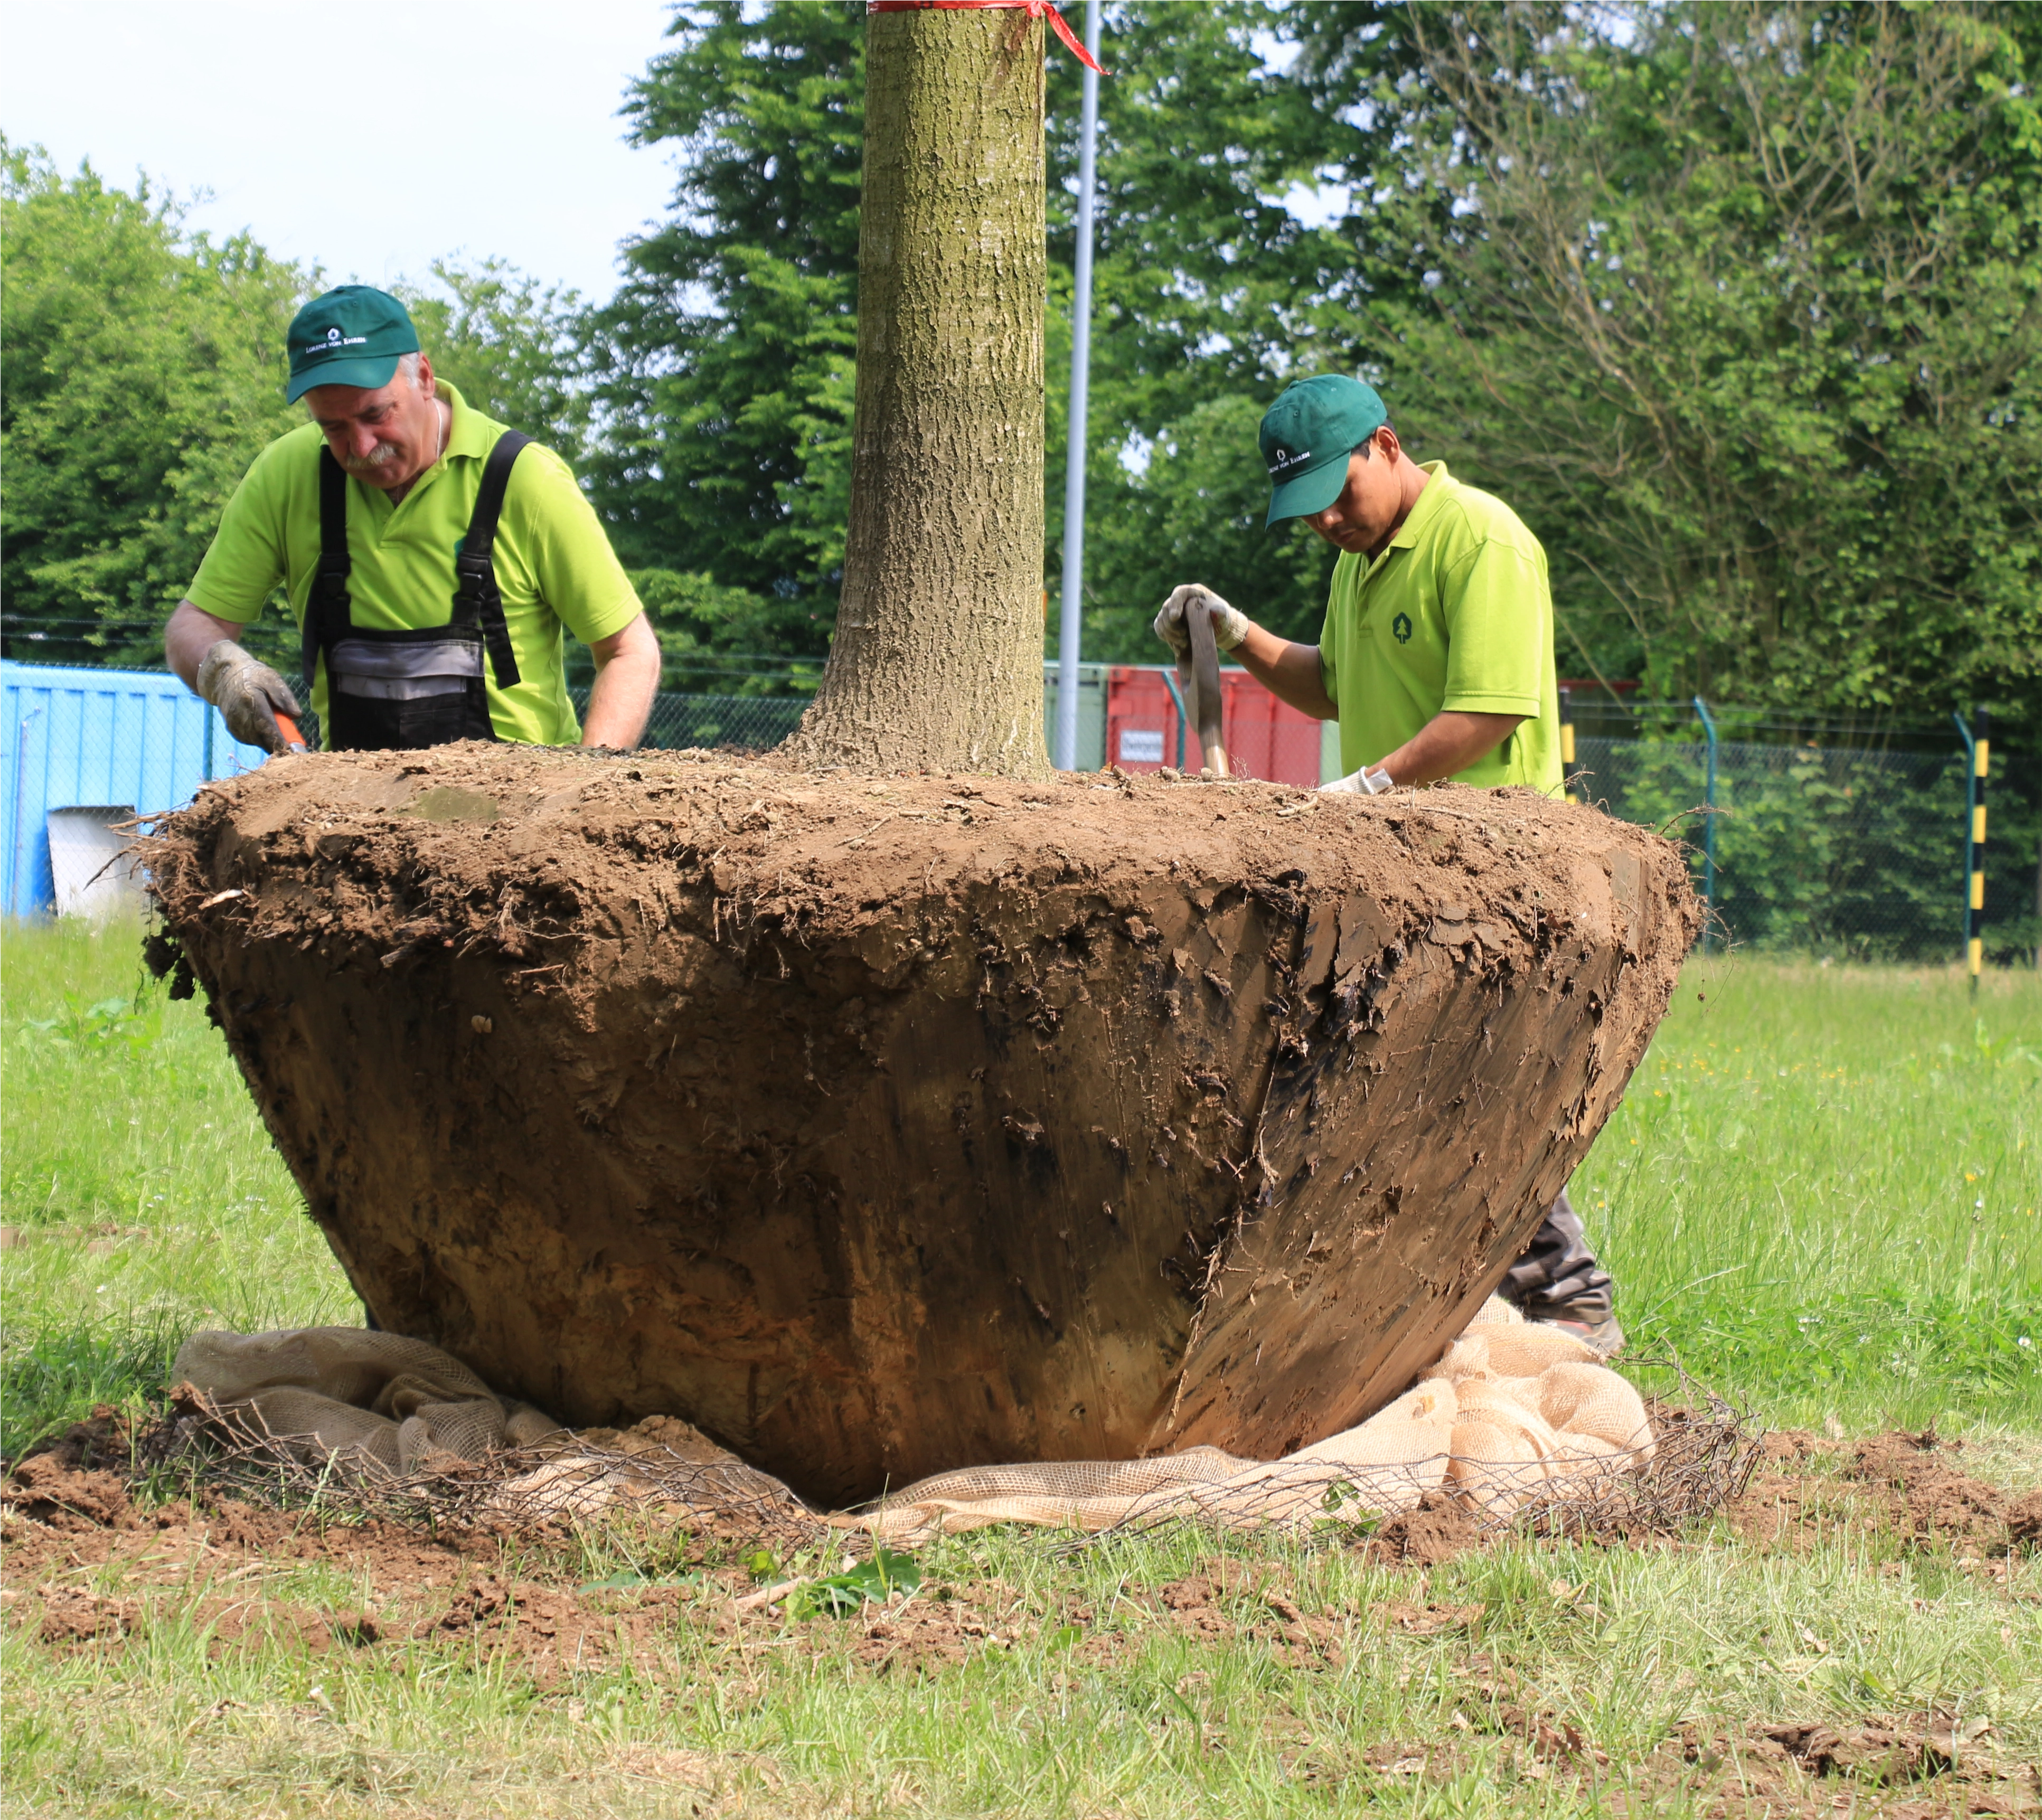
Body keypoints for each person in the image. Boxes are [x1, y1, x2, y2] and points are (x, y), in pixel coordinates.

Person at [1152, 372, 1620, 1354]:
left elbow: (1488, 707)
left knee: (1472, 1096)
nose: (1325, 517)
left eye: (1336, 489)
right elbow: (1335, 683)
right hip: (1402, 869)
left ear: (1387, 445)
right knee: (1402, 1094)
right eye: (1306, 506)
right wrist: (1237, 637)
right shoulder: (1360, 560)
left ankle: (1569, 1305)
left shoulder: (1479, 540)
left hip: (1495, 873)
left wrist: (1366, 793)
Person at [166, 285, 660, 754]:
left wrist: (584, 795)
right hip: (355, 816)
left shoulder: (523, 478)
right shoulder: (286, 476)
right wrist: (224, 670)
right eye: (332, 427)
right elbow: (195, 623)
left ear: (423, 376)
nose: (360, 447)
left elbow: (628, 651)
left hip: (516, 823)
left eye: (376, 413)